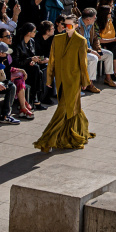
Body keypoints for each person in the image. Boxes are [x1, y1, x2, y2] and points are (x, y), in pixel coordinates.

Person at [33, 15, 94, 153]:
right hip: (60, 79)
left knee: (63, 109)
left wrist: (85, 81)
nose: (67, 28)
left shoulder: (81, 41)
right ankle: (77, 131)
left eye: (70, 25)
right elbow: (52, 60)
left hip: (74, 80)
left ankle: (46, 140)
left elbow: (83, 63)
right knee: (72, 107)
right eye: (65, 25)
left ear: (76, 25)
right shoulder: (57, 38)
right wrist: (49, 79)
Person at [77, 8, 116, 89]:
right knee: (93, 58)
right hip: (81, 51)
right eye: (95, 18)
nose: (96, 19)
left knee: (109, 54)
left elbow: (95, 38)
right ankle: (89, 83)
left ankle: (108, 78)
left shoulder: (91, 25)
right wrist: (91, 51)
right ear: (88, 19)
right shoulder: (77, 26)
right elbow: (78, 44)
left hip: (91, 49)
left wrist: (98, 50)